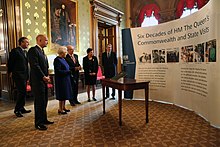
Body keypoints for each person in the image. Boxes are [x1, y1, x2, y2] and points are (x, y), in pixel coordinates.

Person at [27, 34, 54, 131]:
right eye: (46, 40)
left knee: (44, 100)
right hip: (37, 81)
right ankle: (38, 123)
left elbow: (44, 66)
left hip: (43, 80)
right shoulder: (33, 50)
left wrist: (47, 76)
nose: (47, 42)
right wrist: (43, 77)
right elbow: (35, 66)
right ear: (39, 40)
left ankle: (44, 119)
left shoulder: (42, 51)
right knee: (39, 102)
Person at [7, 37, 31, 117]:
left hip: (24, 75)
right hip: (18, 75)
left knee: (23, 92)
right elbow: (10, 63)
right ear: (21, 42)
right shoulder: (15, 51)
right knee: (21, 92)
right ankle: (17, 110)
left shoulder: (25, 52)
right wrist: (10, 72)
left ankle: (21, 108)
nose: (28, 44)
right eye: (27, 42)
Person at [54, 46, 72, 114]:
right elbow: (58, 71)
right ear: (62, 53)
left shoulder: (63, 59)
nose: (66, 53)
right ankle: (60, 109)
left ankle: (64, 107)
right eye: (65, 52)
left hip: (66, 79)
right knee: (62, 95)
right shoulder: (57, 60)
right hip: (61, 80)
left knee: (65, 94)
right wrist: (68, 72)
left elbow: (67, 68)